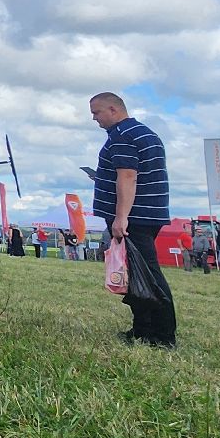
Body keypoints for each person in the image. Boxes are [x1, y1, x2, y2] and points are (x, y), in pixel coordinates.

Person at [89, 91, 175, 348]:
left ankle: (162, 334)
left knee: (147, 274)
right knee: (136, 273)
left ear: (113, 110)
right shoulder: (143, 132)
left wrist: (121, 217)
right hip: (149, 212)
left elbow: (128, 176)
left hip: (135, 216)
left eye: (97, 112)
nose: (95, 119)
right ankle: (143, 329)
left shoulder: (122, 136)